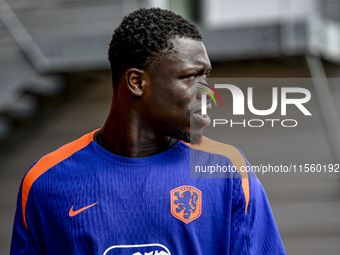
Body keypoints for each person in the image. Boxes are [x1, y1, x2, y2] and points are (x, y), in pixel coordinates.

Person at [11, 8, 286, 255]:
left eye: (207, 76)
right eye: (190, 77)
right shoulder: (45, 181)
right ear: (137, 82)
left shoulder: (227, 171)